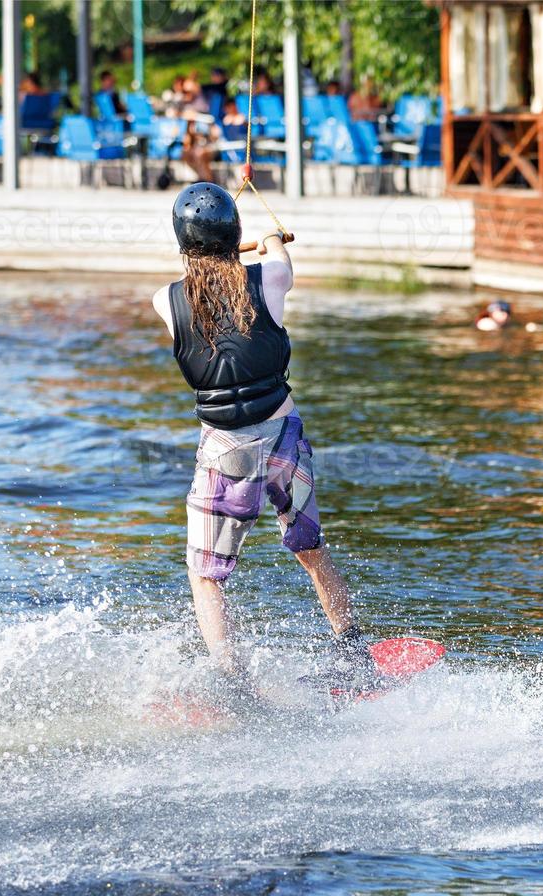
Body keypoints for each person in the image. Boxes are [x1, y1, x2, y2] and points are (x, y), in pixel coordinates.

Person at [150, 182, 374, 691]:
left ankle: (229, 678)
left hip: (225, 451)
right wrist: (271, 238)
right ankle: (351, 649)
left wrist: (219, 253)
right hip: (281, 440)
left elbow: (194, 281)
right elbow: (279, 259)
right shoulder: (271, 277)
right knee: (309, 547)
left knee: (205, 573)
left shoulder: (165, 300)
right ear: (236, 236)